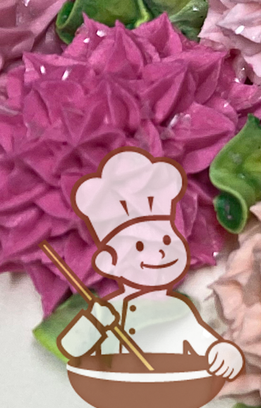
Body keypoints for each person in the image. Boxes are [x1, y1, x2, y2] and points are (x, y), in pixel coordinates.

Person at [58, 147, 243, 378]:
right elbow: (70, 345)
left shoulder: (180, 306)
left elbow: (206, 341)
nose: (162, 253)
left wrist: (226, 354)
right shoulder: (104, 310)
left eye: (166, 241)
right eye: (139, 246)